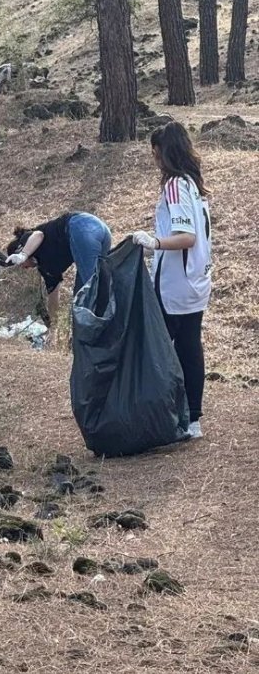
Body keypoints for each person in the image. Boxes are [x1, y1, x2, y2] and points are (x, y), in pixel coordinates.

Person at [131, 121, 212, 439]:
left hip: (175, 283)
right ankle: (193, 418)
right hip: (197, 280)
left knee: (160, 349)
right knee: (190, 345)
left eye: (154, 153)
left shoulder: (176, 185)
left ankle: (162, 417)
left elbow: (187, 236)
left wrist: (154, 242)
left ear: (161, 152)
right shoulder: (194, 182)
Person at [4, 212, 112, 342]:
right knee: (86, 289)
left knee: (91, 288)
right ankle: (90, 337)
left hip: (81, 227)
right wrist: (53, 329)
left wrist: (23, 255)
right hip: (100, 230)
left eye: (19, 264)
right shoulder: (46, 268)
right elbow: (53, 297)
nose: (22, 267)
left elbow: (38, 235)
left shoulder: (29, 240)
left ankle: (96, 337)